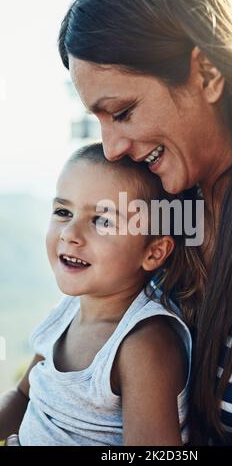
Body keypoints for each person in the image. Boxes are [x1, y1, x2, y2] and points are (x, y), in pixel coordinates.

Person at [58, 0, 232, 446]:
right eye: (99, 119)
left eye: (124, 112)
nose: (110, 148)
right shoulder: (162, 213)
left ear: (207, 73)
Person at [0, 142, 194, 446]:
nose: (70, 235)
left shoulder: (144, 344)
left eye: (102, 221)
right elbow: (24, 394)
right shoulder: (64, 314)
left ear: (153, 252)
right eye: (63, 212)